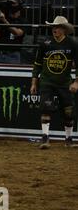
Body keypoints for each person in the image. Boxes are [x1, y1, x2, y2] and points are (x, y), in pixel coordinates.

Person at [30, 16, 78, 149]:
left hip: (65, 83)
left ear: (64, 29)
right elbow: (37, 64)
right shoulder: (45, 43)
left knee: (69, 111)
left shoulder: (72, 44)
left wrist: (76, 82)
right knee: (45, 108)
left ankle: (68, 139)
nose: (54, 29)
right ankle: (45, 138)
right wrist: (34, 82)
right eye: (53, 27)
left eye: (57, 27)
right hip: (47, 82)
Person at [0, 0, 26, 64]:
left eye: (14, 3)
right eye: (10, 3)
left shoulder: (22, 21)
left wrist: (4, 20)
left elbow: (17, 33)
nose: (11, 5)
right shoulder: (1, 18)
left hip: (13, 56)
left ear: (20, 6)